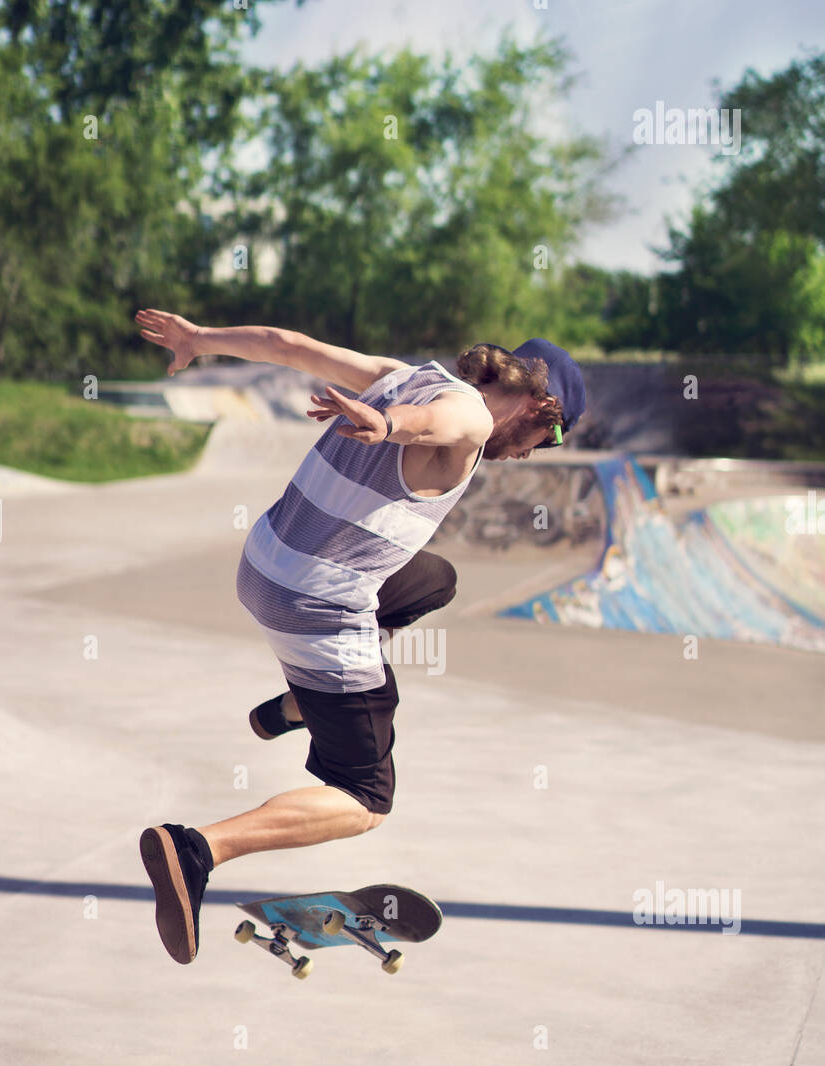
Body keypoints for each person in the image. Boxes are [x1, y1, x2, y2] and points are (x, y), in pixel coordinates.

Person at [135, 311, 586, 964]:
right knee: (366, 797)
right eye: (545, 441)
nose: (526, 454)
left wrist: (201, 341)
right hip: (313, 603)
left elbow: (289, 346)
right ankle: (196, 849)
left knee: (434, 579)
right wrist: (391, 428)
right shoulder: (473, 421)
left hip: (263, 563)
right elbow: (449, 426)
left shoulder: (400, 375)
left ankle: (297, 705)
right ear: (541, 408)